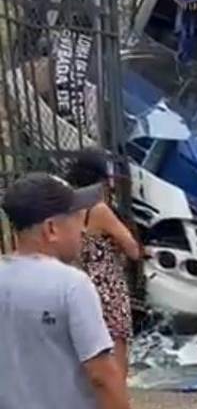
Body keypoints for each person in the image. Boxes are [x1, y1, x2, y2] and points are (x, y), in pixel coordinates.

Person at [0, 173, 131, 409]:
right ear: (51, 229)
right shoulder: (72, 285)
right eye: (75, 219)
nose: (82, 230)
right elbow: (101, 376)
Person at [66, 148, 143, 377]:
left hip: (79, 285)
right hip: (107, 288)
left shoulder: (66, 207)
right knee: (116, 358)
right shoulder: (98, 210)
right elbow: (132, 249)